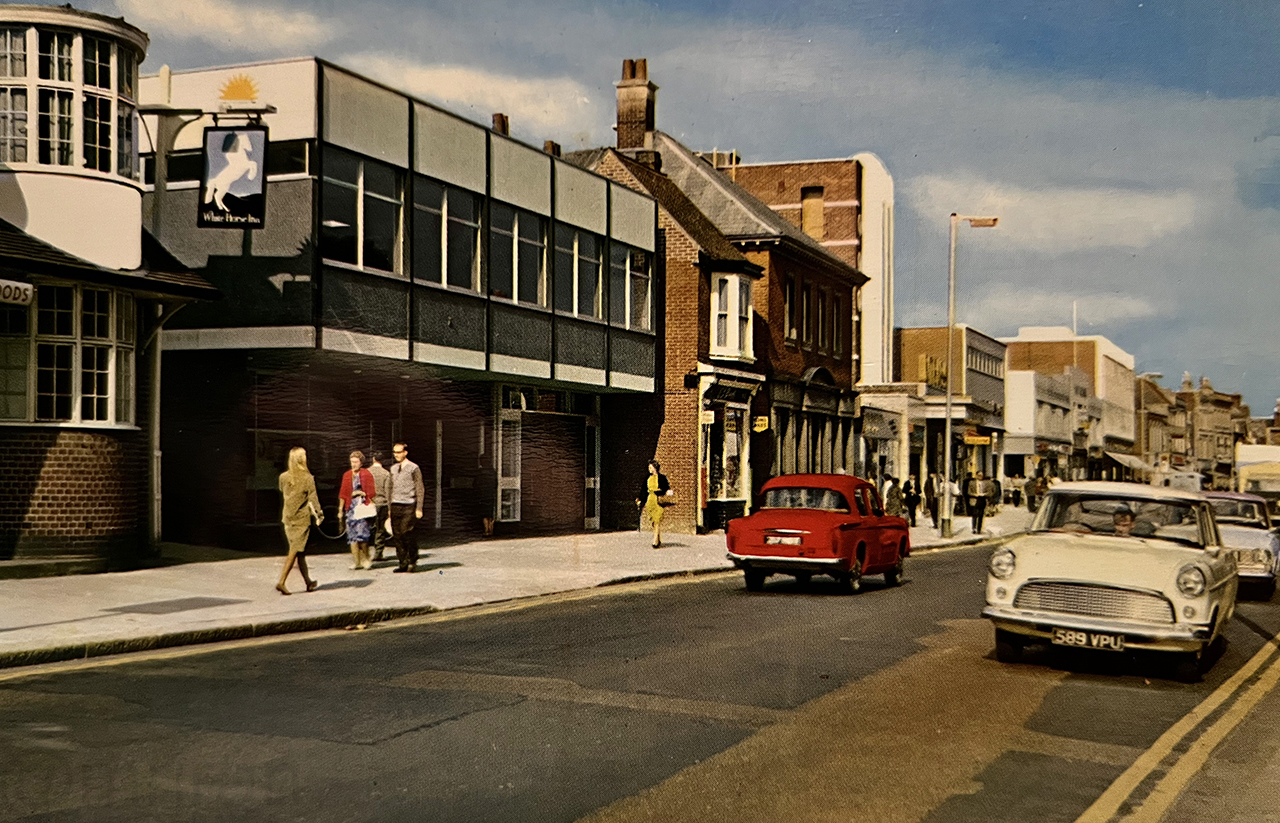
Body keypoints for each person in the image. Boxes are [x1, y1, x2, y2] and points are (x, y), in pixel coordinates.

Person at [276, 446, 321, 596]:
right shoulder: (308, 478)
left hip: (287, 517)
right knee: (294, 550)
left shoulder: (283, 477)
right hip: (301, 519)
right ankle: (281, 582)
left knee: (299, 551)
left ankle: (308, 581)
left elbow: (283, 492)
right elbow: (313, 499)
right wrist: (319, 515)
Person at [389, 441, 425, 573]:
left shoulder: (413, 468)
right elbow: (390, 488)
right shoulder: (393, 469)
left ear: (405, 452)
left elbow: (419, 487)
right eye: (394, 452)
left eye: (399, 452)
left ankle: (412, 560)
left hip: (409, 504)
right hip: (395, 504)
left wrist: (419, 507)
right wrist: (389, 507)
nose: (396, 455)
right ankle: (402, 562)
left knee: (406, 532)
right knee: (397, 534)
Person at [339, 450, 376, 570]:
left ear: (361, 463)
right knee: (352, 536)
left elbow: (372, 492)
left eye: (356, 462)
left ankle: (366, 558)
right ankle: (356, 561)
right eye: (352, 462)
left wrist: (363, 493)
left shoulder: (366, 474)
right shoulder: (346, 475)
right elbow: (343, 494)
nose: (353, 464)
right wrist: (340, 510)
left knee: (362, 535)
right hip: (350, 508)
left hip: (362, 508)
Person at [636, 459, 671, 548]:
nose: (649, 469)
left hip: (658, 501)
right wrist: (640, 499)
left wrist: (661, 492)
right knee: (653, 522)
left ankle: (655, 541)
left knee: (657, 520)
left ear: (655, 468)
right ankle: (658, 539)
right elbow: (644, 490)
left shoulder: (662, 478)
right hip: (650, 501)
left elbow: (666, 488)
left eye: (650, 467)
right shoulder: (647, 478)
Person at [368, 451, 391, 561]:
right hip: (382, 503)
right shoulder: (386, 473)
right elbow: (388, 492)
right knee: (380, 529)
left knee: (367, 528)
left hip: (369, 503)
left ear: (373, 459)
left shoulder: (366, 472)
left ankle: (365, 553)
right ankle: (378, 552)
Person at [966, 471, 994, 535]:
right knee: (975, 514)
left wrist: (985, 494)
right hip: (975, 499)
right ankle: (974, 528)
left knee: (981, 515)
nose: (980, 477)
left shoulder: (985, 483)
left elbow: (990, 492)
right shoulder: (971, 483)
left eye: (981, 475)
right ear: (976, 475)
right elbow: (968, 492)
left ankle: (979, 529)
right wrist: (975, 494)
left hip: (982, 499)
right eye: (979, 475)